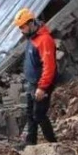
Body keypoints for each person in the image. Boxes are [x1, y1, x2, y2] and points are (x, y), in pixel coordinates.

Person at [13, 8, 58, 146]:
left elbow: (49, 66)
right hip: (33, 83)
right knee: (30, 114)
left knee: (39, 115)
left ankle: (53, 143)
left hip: (41, 85)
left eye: (23, 27)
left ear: (31, 23)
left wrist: (42, 87)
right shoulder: (32, 38)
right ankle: (30, 143)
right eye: (20, 27)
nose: (21, 30)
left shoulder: (44, 40)